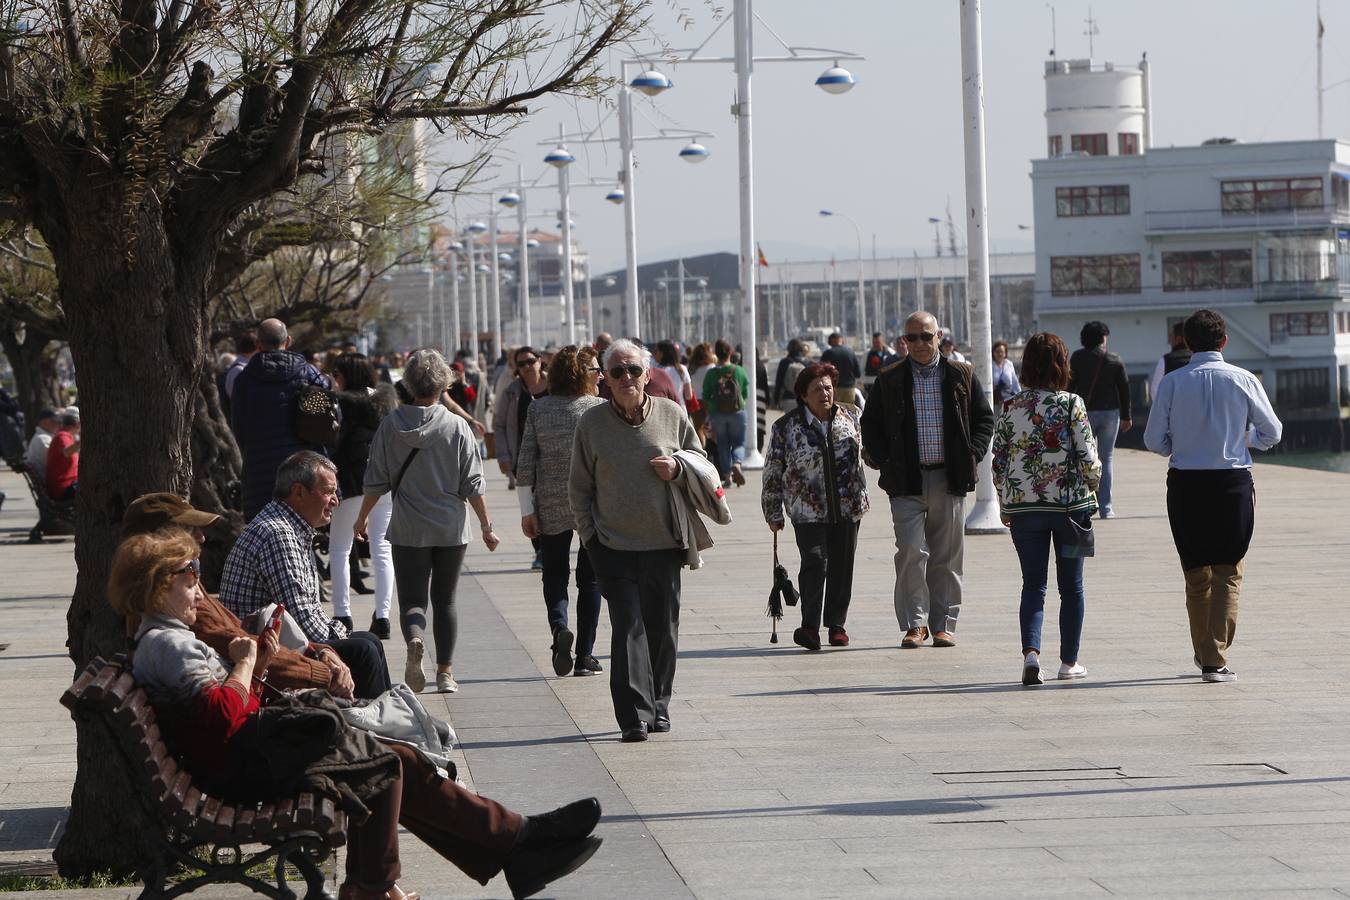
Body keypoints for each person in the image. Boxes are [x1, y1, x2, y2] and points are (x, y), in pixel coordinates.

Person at [112, 528, 604, 900]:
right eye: (190, 575)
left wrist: (254, 663)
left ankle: (516, 843)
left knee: (397, 759)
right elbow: (222, 716)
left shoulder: (162, 640)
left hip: (245, 756)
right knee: (381, 768)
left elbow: (220, 711)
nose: (199, 587)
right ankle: (381, 889)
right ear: (158, 587)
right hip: (241, 769)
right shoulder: (169, 645)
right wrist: (243, 665)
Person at [570, 339, 704, 742]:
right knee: (628, 626)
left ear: (648, 375)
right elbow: (579, 488)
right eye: (617, 372)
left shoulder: (672, 414)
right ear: (604, 380)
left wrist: (678, 468)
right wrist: (591, 539)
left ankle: (659, 705)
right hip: (612, 547)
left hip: (664, 543)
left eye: (633, 370)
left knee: (662, 630)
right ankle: (632, 717)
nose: (626, 377)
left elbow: (701, 463)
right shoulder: (591, 424)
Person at [1144, 309, 1282, 683]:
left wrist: (1180, 442)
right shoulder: (1244, 379)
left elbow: (1153, 440)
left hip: (1186, 484)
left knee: (1196, 574)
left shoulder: (1173, 382)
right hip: (1232, 482)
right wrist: (1243, 440)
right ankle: (1214, 657)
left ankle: (1205, 652)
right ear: (1224, 341)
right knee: (1228, 571)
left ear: (1186, 342)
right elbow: (1272, 432)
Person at [357, 349, 501, 695]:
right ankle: (446, 673)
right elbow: (473, 485)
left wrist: (361, 519)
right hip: (451, 526)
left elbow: (375, 479)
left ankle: (415, 640)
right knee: (446, 600)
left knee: (411, 601)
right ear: (444, 383)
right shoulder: (457, 427)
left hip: (408, 526)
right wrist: (486, 526)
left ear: (408, 383)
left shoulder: (390, 426)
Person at [122, 492, 356, 696]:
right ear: (161, 543)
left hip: (262, 685)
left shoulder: (181, 593)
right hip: (259, 705)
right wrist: (322, 672)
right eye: (191, 530)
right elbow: (223, 713)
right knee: (362, 654)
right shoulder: (174, 609)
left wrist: (320, 651)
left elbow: (241, 639)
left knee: (362, 651)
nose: (202, 537)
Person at [860, 311, 995, 650]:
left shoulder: (961, 375)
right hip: (906, 481)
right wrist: (883, 459)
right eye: (912, 337)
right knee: (910, 550)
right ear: (904, 341)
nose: (920, 343)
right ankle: (915, 623)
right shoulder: (889, 378)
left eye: (926, 336)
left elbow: (984, 419)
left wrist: (972, 453)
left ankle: (944, 624)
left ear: (939, 337)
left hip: (949, 479)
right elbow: (870, 423)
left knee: (946, 556)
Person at [221, 451, 392, 699]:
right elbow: (304, 621)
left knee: (369, 641)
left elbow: (308, 610)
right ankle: (380, 724)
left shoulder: (291, 527)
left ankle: (387, 717)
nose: (336, 500)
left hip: (281, 640)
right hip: (264, 651)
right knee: (363, 649)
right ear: (299, 492)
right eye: (328, 491)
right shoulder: (278, 534)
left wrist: (338, 634)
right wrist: (336, 639)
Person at [991, 333, 1102, 686]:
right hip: (1070, 508)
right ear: (1062, 364)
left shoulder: (1010, 407)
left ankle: (1031, 654)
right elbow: (1087, 456)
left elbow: (999, 462)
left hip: (1024, 509)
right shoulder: (1072, 404)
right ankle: (1069, 662)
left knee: (1033, 585)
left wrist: (1005, 499)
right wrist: (1095, 481)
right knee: (1071, 587)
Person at [761, 363, 870, 651]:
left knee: (842, 567)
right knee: (814, 563)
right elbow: (773, 470)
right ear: (804, 395)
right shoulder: (786, 426)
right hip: (806, 510)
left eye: (828, 387)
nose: (824, 393)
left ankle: (836, 625)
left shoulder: (852, 416)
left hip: (848, 506)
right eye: (817, 389)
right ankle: (809, 625)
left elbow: (869, 451)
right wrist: (773, 511)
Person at [516, 347, 606, 677]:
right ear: (584, 374)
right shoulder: (598, 409)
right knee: (590, 578)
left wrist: (527, 510)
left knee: (554, 573)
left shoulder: (538, 409)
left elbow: (524, 464)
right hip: (592, 504)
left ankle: (558, 627)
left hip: (551, 502)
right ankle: (585, 654)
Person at [230, 318, 331, 520]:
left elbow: (238, 427)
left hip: (259, 468)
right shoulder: (308, 373)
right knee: (301, 529)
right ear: (289, 341)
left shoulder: (244, 380)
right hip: (302, 467)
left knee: (263, 530)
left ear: (258, 345)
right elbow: (326, 420)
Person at [330, 353, 398, 640]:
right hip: (383, 484)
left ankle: (342, 614)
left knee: (340, 550)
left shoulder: (341, 402)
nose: (334, 378)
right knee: (383, 551)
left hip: (350, 484)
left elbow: (333, 442)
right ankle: (382, 616)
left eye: (337, 373)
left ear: (346, 375)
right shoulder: (384, 401)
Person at [1068, 321, 1131, 519]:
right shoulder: (1115, 359)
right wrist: (1127, 415)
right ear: (1103, 338)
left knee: (1082, 458)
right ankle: (1106, 508)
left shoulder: (1077, 358)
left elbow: (1070, 386)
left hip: (1083, 414)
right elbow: (1124, 389)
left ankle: (1084, 504)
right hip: (1110, 413)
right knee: (1107, 458)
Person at [494, 346, 549, 567]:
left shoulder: (555, 386)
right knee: (530, 505)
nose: (527, 366)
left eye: (530, 361)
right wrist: (503, 456)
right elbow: (499, 425)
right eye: (522, 363)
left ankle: (550, 548)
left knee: (548, 505)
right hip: (523, 458)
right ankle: (540, 551)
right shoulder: (512, 392)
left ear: (540, 361)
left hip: (552, 456)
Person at [700, 339, 749, 489]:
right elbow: (746, 392)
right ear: (730, 353)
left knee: (722, 444)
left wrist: (711, 407)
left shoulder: (711, 373)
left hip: (718, 413)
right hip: (737, 412)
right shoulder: (739, 371)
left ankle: (727, 477)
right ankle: (737, 463)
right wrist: (741, 404)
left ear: (716, 354)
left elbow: (706, 395)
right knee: (739, 442)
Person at [1150, 321, 1192, 402]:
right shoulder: (1197, 358)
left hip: (1173, 411)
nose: (1169, 340)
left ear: (1179, 339)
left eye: (1171, 336)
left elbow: (1155, 391)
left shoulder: (1166, 360)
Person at [46, 407, 81, 500]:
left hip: (69, 485)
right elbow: (66, 452)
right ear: (77, 424)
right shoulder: (62, 436)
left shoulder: (67, 437)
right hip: (64, 488)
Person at [819, 333, 862, 407]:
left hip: (835, 389)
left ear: (830, 341)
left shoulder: (827, 353)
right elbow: (857, 373)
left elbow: (821, 372)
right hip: (849, 388)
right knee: (849, 413)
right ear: (841, 340)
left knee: (835, 413)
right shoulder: (851, 352)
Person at [772, 340, 811, 412]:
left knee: (790, 422)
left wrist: (776, 400)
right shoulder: (806, 362)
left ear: (788, 349)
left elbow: (779, 382)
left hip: (788, 398)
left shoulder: (784, 362)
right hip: (804, 399)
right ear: (801, 349)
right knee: (803, 422)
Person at [654, 341, 694, 412]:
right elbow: (689, 396)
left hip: (661, 411)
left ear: (662, 353)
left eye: (656, 351)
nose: (654, 354)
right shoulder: (682, 369)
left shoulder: (655, 370)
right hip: (680, 409)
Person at [23, 407, 59, 481]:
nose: (58, 424)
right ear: (44, 422)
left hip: (50, 479)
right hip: (51, 480)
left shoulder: (44, 437)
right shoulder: (43, 439)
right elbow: (56, 461)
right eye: (54, 421)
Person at [991, 340, 1022, 408]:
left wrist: (1020, 396)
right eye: (997, 351)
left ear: (1005, 353)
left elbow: (1015, 383)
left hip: (1009, 400)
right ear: (993, 353)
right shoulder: (990, 365)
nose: (999, 354)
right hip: (994, 401)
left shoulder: (1009, 364)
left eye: (1001, 352)